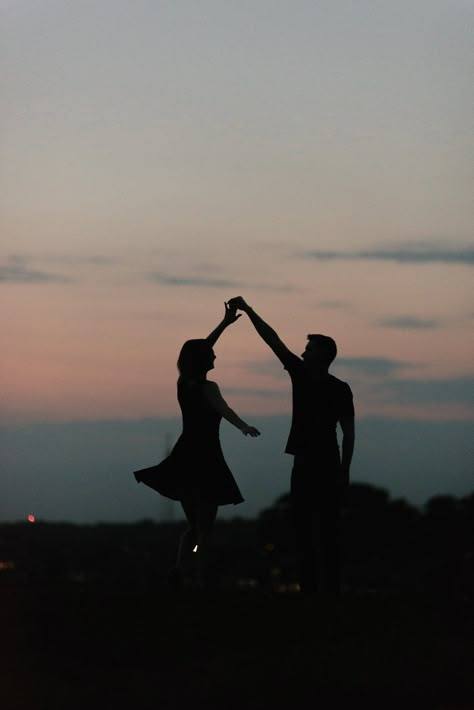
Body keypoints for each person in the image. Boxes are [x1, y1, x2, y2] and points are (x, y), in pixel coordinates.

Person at [228, 296, 355, 596]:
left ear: (321, 355)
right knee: (315, 530)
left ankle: (320, 590)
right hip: (316, 461)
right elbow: (272, 340)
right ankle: (317, 590)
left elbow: (349, 432)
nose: (302, 352)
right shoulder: (324, 382)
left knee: (319, 531)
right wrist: (250, 309)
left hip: (320, 463)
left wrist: (248, 309)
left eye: (309, 349)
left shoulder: (330, 386)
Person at [134, 302, 260, 590]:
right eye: (212, 354)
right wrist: (243, 426)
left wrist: (224, 324)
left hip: (184, 455)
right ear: (204, 360)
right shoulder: (208, 387)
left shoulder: (183, 384)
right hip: (206, 457)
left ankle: (181, 569)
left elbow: (200, 349)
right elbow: (224, 410)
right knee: (205, 529)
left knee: (194, 525)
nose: (216, 353)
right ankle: (198, 578)